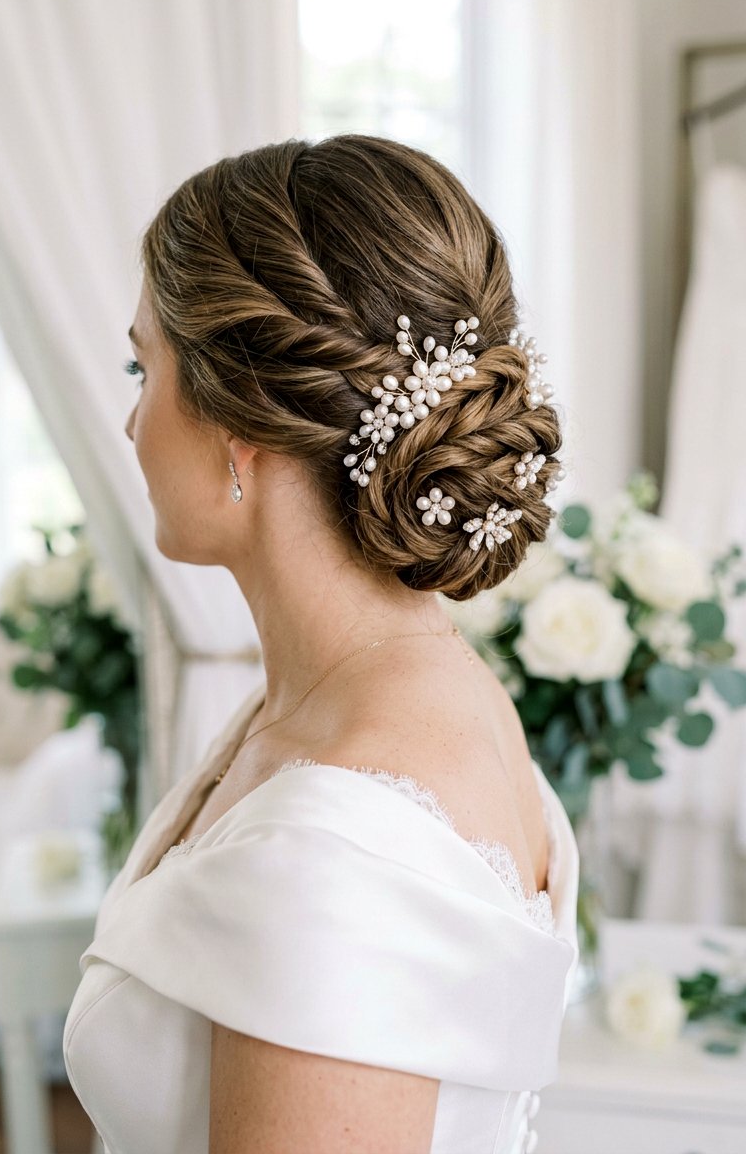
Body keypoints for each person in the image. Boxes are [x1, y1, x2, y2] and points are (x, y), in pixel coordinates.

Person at [63, 133, 579, 1154]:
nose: (130, 424)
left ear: (235, 424)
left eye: (143, 364)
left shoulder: (333, 849)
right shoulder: (388, 691)